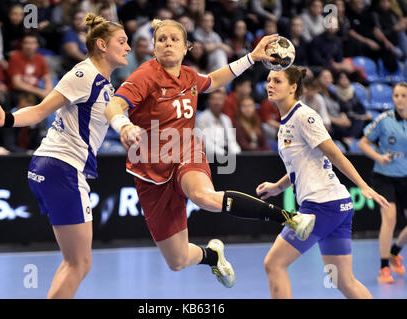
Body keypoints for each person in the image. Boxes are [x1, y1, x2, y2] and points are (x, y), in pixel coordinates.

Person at [104, 19, 316, 289]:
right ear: (154, 48)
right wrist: (123, 124)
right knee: (177, 260)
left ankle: (290, 218)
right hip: (150, 171)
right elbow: (114, 104)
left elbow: (215, 79)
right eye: (162, 40)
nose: (167, 43)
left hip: (184, 152)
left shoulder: (190, 77)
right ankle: (212, 256)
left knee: (203, 197)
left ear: (186, 48)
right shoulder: (144, 76)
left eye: (174, 39)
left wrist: (251, 57)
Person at [0, 13, 131, 299]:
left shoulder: (105, 85)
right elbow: (41, 110)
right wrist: (5, 118)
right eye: (122, 41)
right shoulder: (84, 74)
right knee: (80, 263)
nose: (128, 47)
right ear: (102, 45)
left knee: (74, 262)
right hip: (62, 167)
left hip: (56, 168)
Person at [256, 65, 389, 299]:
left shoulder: (303, 116)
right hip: (335, 205)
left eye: (277, 80)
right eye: (268, 80)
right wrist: (277, 187)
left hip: (321, 206)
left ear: (293, 87)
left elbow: (334, 153)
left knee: (273, 264)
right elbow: (302, 164)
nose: (270, 84)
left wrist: (363, 185)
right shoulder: (286, 123)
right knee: (343, 280)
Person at [358, 82, 407, 284]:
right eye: (396, 95)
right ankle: (384, 267)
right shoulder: (384, 120)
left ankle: (395, 252)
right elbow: (362, 143)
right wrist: (379, 158)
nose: (399, 99)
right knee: (390, 219)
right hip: (384, 176)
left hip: (405, 177)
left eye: (403, 95)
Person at [196, 88, 242, 158]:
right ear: (209, 101)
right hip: (210, 157)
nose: (217, 102)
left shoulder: (226, 119)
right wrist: (225, 155)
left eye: (220, 99)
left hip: (227, 155)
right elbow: (206, 144)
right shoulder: (202, 118)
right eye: (214, 99)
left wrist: (238, 154)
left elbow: (231, 141)